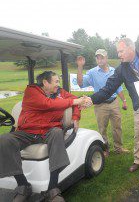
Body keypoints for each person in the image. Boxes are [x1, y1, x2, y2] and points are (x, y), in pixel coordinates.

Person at [0, 71, 90, 202]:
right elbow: (47, 104)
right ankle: (23, 185)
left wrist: (76, 117)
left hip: (49, 130)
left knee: (57, 132)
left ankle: (52, 189)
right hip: (28, 131)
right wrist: (77, 100)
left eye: (58, 81)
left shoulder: (60, 93)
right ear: (45, 82)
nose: (58, 85)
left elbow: (76, 102)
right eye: (56, 81)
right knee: (4, 140)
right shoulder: (31, 91)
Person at [88, 38, 139, 172]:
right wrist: (91, 99)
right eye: (118, 52)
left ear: (131, 48)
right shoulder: (121, 69)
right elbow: (108, 88)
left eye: (121, 51)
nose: (119, 54)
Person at [76, 49, 129, 157]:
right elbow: (81, 83)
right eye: (97, 57)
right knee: (102, 128)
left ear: (106, 58)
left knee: (117, 127)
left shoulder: (114, 71)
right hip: (100, 105)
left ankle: (118, 148)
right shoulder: (92, 72)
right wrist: (80, 66)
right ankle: (105, 149)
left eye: (102, 57)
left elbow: (118, 88)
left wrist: (124, 100)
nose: (99, 60)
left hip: (114, 102)